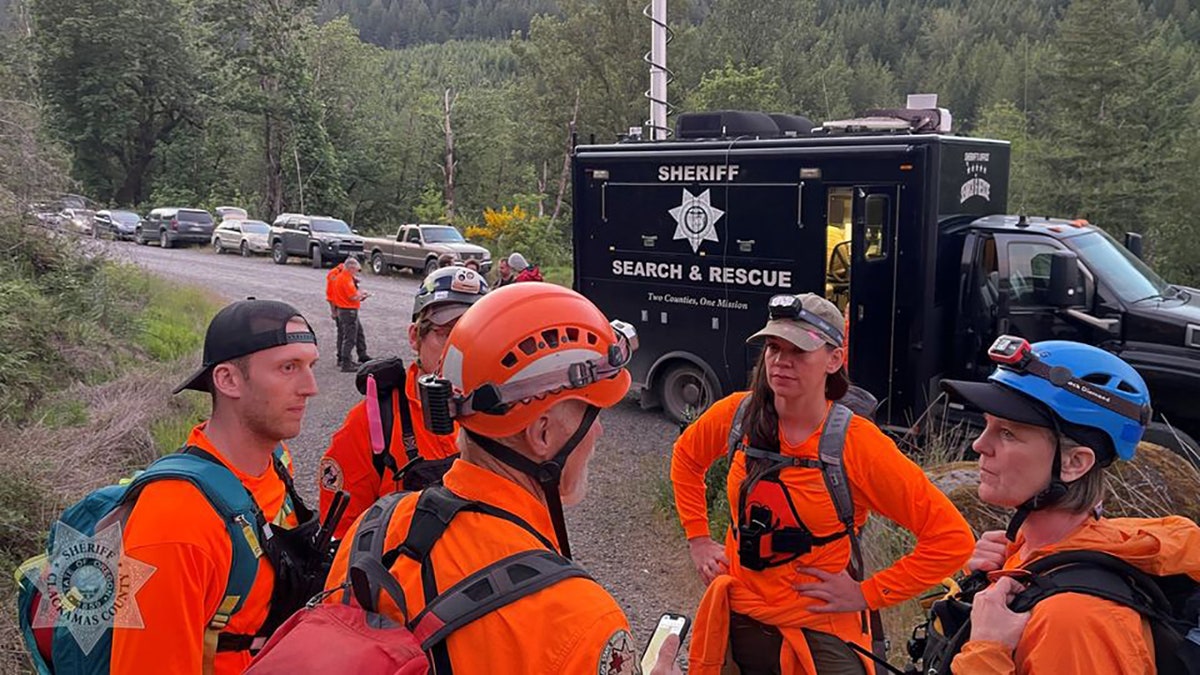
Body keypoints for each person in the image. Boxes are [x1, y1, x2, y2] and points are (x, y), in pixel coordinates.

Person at [323, 283, 682, 675]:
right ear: (542, 434)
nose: (598, 434)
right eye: (592, 414)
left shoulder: (373, 532)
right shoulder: (579, 618)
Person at [672, 293, 975, 674]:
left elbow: (952, 539)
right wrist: (699, 539)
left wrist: (867, 593)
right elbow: (686, 458)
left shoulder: (856, 444)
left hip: (818, 625)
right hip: (739, 613)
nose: (781, 361)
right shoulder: (738, 414)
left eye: (798, 351)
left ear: (834, 360)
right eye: (773, 347)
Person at [940, 337, 1200, 674]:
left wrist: (987, 651)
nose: (979, 444)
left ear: (1075, 463)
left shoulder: (1077, 619)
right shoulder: (1034, 558)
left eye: (1008, 433)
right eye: (988, 424)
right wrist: (982, 582)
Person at [112, 300, 325, 673]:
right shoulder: (174, 522)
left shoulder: (276, 460)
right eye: (288, 368)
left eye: (311, 366)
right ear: (227, 380)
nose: (311, 388)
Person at [317, 266, 489, 540]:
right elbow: (342, 539)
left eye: (474, 334)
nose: (460, 349)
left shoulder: (502, 416)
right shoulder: (374, 423)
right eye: (447, 333)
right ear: (414, 337)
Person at [331, 256, 371, 372]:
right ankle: (346, 363)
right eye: (356, 270)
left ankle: (356, 357)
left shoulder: (340, 277)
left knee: (358, 334)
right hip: (348, 311)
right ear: (351, 268)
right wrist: (363, 294)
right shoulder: (346, 279)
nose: (357, 272)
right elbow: (352, 296)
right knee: (350, 338)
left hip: (344, 309)